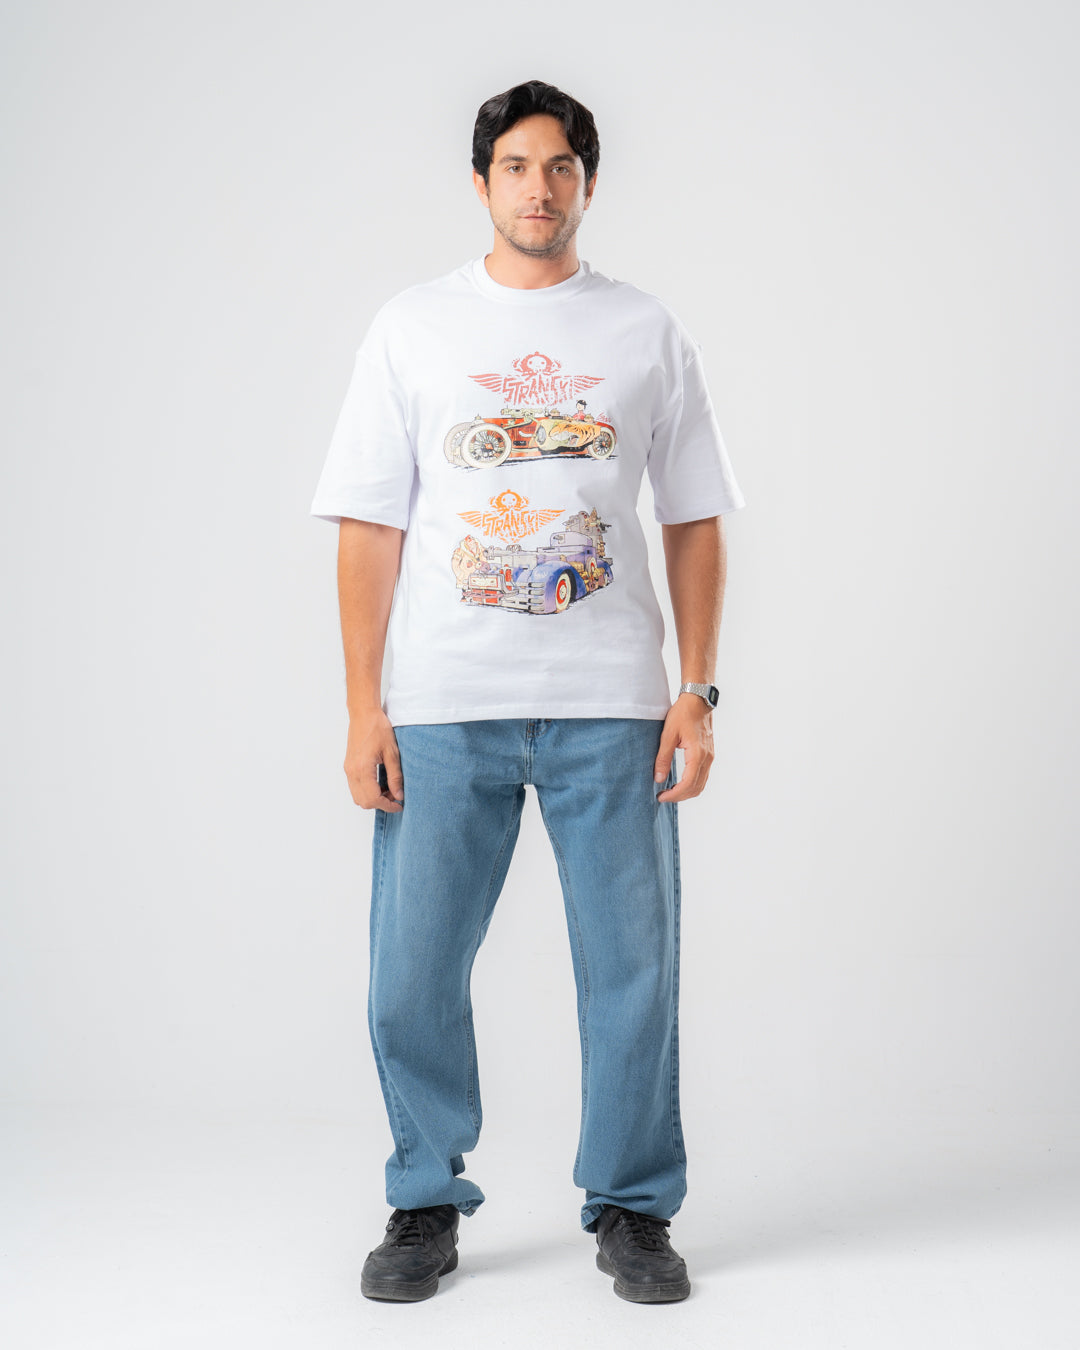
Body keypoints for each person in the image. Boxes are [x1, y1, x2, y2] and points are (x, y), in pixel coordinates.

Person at [310, 79, 745, 1305]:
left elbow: (695, 518)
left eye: (560, 167)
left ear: (588, 184)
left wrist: (698, 691)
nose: (538, 188)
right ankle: (423, 1195)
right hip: (444, 703)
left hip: (615, 703)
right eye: (515, 166)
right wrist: (362, 705)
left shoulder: (645, 329)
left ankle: (633, 1208)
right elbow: (369, 524)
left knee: (633, 970)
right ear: (481, 182)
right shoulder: (414, 328)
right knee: (412, 970)